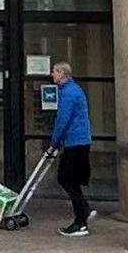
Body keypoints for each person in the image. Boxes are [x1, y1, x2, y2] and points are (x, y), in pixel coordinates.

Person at [43, 61, 94, 236]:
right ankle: (83, 211)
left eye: (55, 72)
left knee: (66, 179)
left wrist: (54, 142)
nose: (52, 75)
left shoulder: (69, 94)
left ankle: (81, 220)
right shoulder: (72, 90)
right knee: (68, 179)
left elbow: (62, 119)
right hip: (77, 141)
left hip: (75, 142)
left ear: (63, 74)